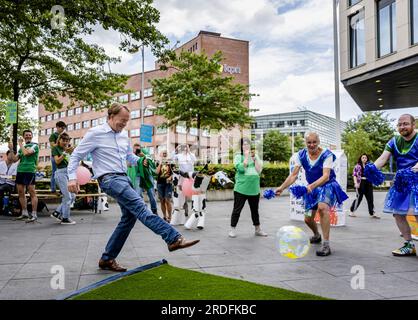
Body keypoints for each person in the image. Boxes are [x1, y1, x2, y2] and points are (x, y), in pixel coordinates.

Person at [67, 103, 199, 272]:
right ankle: (173, 238)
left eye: (127, 121)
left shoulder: (123, 136)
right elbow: (76, 155)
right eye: (122, 120)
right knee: (141, 208)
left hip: (124, 178)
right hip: (109, 179)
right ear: (111, 116)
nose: (124, 124)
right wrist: (72, 178)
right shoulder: (95, 133)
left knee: (129, 218)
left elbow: (129, 157)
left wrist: (141, 160)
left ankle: (107, 259)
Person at [275, 132, 348, 256]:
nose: (312, 145)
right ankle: (316, 235)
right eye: (309, 142)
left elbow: (326, 176)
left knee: (322, 208)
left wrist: (311, 186)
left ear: (318, 141)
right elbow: (293, 175)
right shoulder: (301, 155)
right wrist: (282, 188)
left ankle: (326, 245)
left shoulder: (327, 155)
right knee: (308, 218)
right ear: (306, 143)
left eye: (314, 142)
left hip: (327, 186)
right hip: (311, 189)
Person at [374, 114, 418, 256]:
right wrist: (372, 169)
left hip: (416, 180)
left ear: (413, 124)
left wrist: (412, 171)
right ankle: (409, 245)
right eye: (399, 124)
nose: (402, 127)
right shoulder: (394, 141)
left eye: (405, 124)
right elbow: (383, 158)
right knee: (398, 214)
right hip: (401, 183)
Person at [228, 138, 267, 238]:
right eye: (244, 144)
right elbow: (241, 169)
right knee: (237, 210)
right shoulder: (238, 156)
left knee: (255, 210)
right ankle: (232, 229)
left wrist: (254, 160)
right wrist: (246, 157)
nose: (246, 146)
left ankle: (257, 229)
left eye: (247, 144)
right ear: (241, 146)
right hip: (241, 188)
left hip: (254, 189)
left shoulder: (255, 156)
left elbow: (259, 171)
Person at [11, 130, 40, 222]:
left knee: (31, 192)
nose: (28, 136)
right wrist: (11, 149)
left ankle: (34, 214)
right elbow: (14, 159)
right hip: (20, 170)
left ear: (31, 136)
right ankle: (24, 213)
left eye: (29, 135)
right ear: (24, 136)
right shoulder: (21, 148)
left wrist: (20, 144)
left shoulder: (35, 145)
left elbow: (27, 153)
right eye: (26, 135)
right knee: (20, 192)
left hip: (30, 171)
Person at [50, 132, 76, 225]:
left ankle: (57, 212)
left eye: (67, 140)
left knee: (72, 196)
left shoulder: (68, 149)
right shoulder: (55, 148)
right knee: (68, 196)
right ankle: (65, 218)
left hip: (69, 173)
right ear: (59, 140)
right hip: (61, 173)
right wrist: (65, 152)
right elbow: (57, 161)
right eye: (63, 140)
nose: (65, 142)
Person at [349, 154, 379, 218]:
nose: (364, 159)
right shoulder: (357, 166)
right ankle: (352, 211)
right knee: (359, 197)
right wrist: (355, 183)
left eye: (365, 158)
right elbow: (354, 175)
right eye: (363, 157)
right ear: (360, 158)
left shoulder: (369, 166)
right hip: (361, 182)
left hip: (368, 182)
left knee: (370, 198)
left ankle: (372, 213)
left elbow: (374, 174)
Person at [172, 144, 196, 215]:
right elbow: (172, 158)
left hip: (190, 177)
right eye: (184, 148)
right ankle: (184, 206)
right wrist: (176, 149)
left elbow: (194, 160)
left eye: (187, 148)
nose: (185, 149)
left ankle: (192, 206)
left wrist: (189, 152)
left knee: (190, 192)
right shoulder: (179, 155)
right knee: (182, 193)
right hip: (182, 177)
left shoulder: (191, 155)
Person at [137, 147, 158, 215]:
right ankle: (142, 209)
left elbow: (151, 160)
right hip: (138, 175)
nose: (138, 152)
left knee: (151, 193)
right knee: (138, 194)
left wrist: (144, 156)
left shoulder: (145, 152)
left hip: (148, 175)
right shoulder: (133, 155)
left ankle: (154, 210)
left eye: (138, 150)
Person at [49, 121, 67, 193]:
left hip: (63, 156)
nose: (63, 129)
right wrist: (59, 139)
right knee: (54, 172)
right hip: (55, 155)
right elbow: (53, 146)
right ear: (57, 127)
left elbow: (65, 146)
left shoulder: (64, 135)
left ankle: (61, 189)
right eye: (62, 128)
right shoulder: (53, 135)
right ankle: (53, 189)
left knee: (62, 172)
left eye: (64, 128)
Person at [156, 150, 174, 222]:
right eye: (163, 153)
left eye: (165, 153)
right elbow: (157, 172)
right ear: (161, 155)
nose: (164, 155)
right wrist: (160, 164)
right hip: (160, 183)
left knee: (167, 200)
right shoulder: (158, 162)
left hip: (168, 183)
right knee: (162, 200)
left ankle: (170, 216)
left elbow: (174, 172)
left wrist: (171, 177)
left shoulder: (170, 162)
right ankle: (164, 216)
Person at [0, 150, 18, 215]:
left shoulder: (16, 165)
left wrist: (3, 176)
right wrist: (8, 176)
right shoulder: (1, 164)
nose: (11, 156)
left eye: (13, 155)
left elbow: (14, 178)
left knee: (3, 188)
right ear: (7, 155)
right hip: (1, 183)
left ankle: (4, 208)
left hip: (10, 184)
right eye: (10, 154)